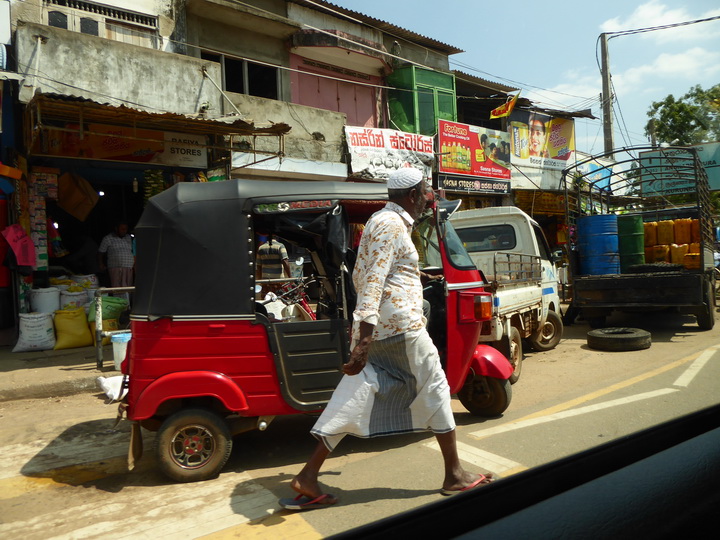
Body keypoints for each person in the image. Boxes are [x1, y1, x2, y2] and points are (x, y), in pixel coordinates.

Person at [280, 167, 493, 511]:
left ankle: (308, 476)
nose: (427, 199)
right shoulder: (390, 225)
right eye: (425, 192)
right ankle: (454, 474)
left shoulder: (383, 223)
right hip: (398, 327)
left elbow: (379, 272)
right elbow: (372, 281)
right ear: (412, 195)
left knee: (358, 391)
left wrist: (410, 277)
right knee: (436, 384)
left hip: (382, 327)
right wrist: (364, 340)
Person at [98, 221, 134, 288]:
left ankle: (127, 299)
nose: (124, 231)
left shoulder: (128, 238)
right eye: (122, 229)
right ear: (116, 228)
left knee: (128, 288)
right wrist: (101, 264)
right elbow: (101, 252)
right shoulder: (108, 238)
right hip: (115, 267)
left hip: (128, 267)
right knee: (117, 288)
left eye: (126, 229)